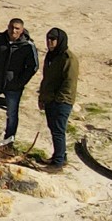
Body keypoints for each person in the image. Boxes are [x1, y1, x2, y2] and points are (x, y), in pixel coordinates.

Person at [37, 27, 79, 170]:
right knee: (54, 128)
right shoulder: (51, 56)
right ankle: (59, 156)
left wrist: (58, 99)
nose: (49, 42)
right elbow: (47, 79)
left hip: (62, 101)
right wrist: (42, 97)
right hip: (50, 99)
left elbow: (69, 82)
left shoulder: (68, 58)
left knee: (58, 130)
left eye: (53, 39)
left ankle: (58, 163)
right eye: (48, 39)